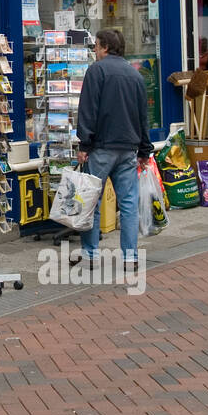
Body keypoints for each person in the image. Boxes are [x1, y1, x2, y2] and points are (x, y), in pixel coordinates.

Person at [73, 29, 152, 269]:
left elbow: (88, 109)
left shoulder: (97, 71)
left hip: (101, 147)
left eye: (96, 46)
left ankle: (90, 255)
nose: (94, 51)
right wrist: (144, 150)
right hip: (128, 147)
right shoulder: (134, 74)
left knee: (91, 201)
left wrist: (84, 143)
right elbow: (143, 116)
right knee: (128, 203)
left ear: (105, 47)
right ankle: (130, 256)